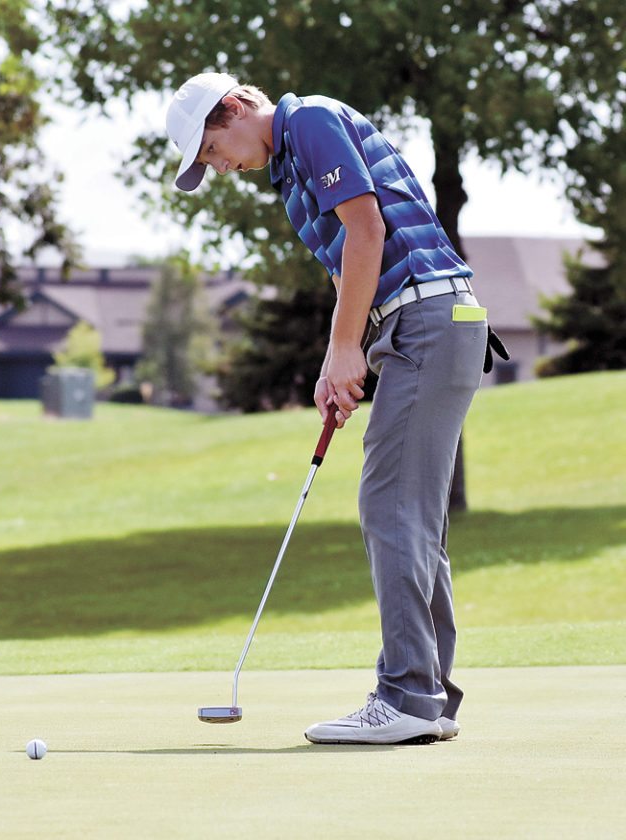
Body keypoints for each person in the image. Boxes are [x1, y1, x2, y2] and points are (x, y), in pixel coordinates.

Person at [166, 72, 506, 745]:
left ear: (233, 109)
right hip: (416, 327)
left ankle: (407, 696)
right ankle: (429, 697)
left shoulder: (311, 121)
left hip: (428, 318)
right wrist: (339, 361)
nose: (220, 167)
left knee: (390, 506)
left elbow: (367, 232)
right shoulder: (290, 175)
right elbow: (346, 266)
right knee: (413, 517)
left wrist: (348, 347)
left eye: (212, 150)